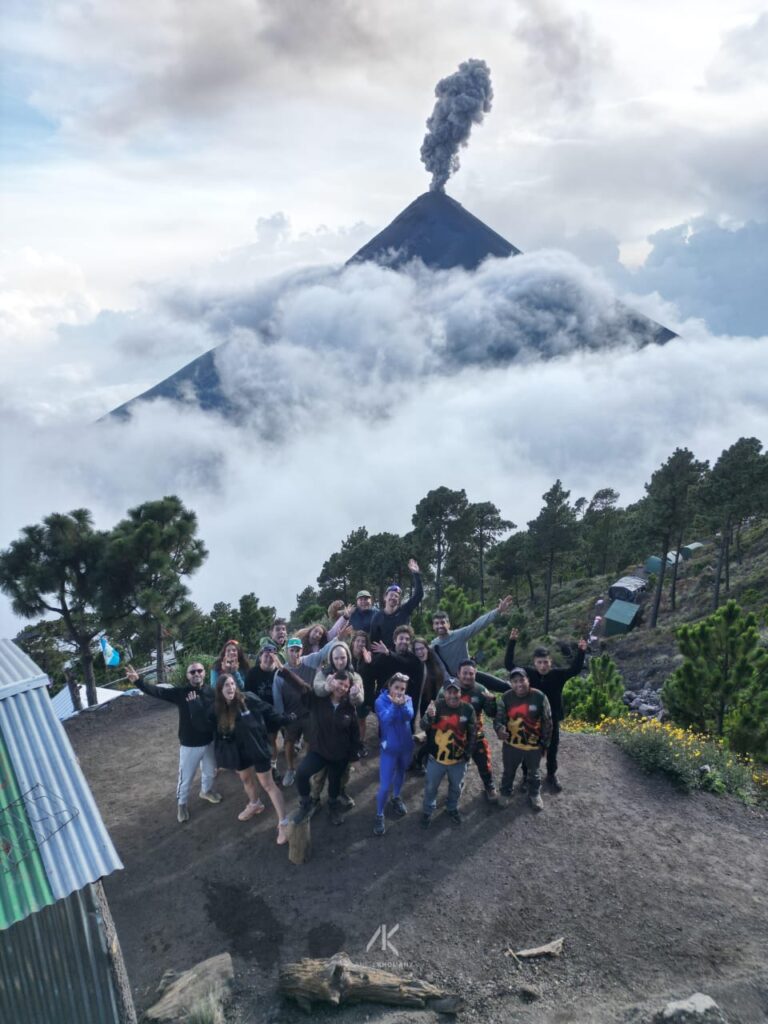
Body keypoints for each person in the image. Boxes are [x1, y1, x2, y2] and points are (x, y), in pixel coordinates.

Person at [187, 673, 293, 843]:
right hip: (237, 753)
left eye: (231, 684)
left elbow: (268, 710)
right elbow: (203, 726)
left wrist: (285, 719)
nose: (230, 688)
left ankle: (284, 823)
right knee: (246, 780)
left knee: (268, 785)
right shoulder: (217, 709)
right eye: (225, 686)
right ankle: (255, 804)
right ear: (220, 690)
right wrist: (194, 708)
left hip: (257, 748)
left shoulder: (247, 699)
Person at [125, 661, 220, 824]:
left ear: (204, 672)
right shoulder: (181, 693)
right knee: (186, 778)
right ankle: (182, 804)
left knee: (210, 772)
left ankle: (206, 791)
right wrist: (138, 682)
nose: (196, 674)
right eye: (192, 672)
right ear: (187, 675)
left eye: (199, 670)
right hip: (190, 744)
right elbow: (158, 691)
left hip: (209, 741)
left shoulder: (211, 692)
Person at [504, 630, 587, 791]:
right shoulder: (528, 674)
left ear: (551, 662)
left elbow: (575, 669)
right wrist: (512, 642)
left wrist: (582, 651)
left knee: (552, 748)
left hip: (552, 718)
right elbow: (509, 665)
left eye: (546, 662)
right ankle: (527, 776)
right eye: (539, 662)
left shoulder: (558, 675)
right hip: (531, 719)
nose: (543, 665)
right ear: (534, 663)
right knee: (529, 747)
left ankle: (551, 774)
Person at [293, 671, 361, 826]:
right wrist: (283, 671)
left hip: (340, 755)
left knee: (335, 783)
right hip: (319, 751)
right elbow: (303, 690)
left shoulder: (349, 707)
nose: (342, 688)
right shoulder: (318, 700)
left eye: (346, 685)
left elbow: (354, 735)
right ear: (332, 682)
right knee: (302, 773)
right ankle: (306, 803)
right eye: (339, 683)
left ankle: (333, 806)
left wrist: (355, 757)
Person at [272, 633, 341, 785]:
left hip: (310, 713)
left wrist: (338, 638)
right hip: (291, 715)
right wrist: (282, 716)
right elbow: (277, 697)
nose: (295, 653)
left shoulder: (309, 661)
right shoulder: (279, 673)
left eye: (297, 650)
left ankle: (306, 768)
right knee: (289, 743)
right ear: (287, 652)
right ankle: (290, 769)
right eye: (292, 650)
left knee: (311, 742)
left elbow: (323, 652)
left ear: (302, 651)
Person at [309, 641, 364, 809]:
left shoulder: (354, 676)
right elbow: (317, 689)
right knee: (319, 772)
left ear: (347, 657)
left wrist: (355, 695)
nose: (340, 661)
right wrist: (327, 686)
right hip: (323, 730)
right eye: (336, 658)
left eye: (342, 657)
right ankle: (314, 798)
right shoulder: (324, 674)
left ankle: (339, 792)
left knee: (342, 770)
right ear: (331, 659)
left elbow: (361, 700)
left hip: (344, 730)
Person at [420, 678, 476, 828]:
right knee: (431, 787)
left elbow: (473, 733)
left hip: (458, 760)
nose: (452, 695)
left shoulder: (468, 709)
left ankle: (452, 808)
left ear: (460, 692)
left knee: (456, 787)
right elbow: (423, 725)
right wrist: (429, 715)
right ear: (444, 693)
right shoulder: (436, 706)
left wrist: (468, 754)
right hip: (436, 759)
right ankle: (428, 810)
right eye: (449, 692)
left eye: (455, 691)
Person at [494, 667, 552, 812]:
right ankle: (505, 792)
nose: (519, 684)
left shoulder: (539, 696)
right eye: (515, 681)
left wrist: (545, 744)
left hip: (533, 745)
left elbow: (548, 721)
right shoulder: (506, 697)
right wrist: (500, 729)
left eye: (522, 680)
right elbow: (498, 719)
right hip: (511, 744)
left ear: (528, 680)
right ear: (511, 683)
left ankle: (534, 794)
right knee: (508, 771)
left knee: (534, 772)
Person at [440, 659, 499, 802]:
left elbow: (491, 714)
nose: (467, 676)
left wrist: (492, 701)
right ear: (458, 674)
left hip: (475, 734)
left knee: (484, 760)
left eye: (471, 673)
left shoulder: (481, 690)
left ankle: (489, 785)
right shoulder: (447, 689)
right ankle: (456, 785)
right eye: (464, 673)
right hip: (454, 735)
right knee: (454, 764)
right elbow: (439, 711)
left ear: (475, 673)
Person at [430, 596, 513, 693]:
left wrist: (498, 611)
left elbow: (478, 625)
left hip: (470, 674)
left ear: (448, 624)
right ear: (433, 626)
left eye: (442, 622)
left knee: (505, 687)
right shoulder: (433, 645)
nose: (440, 625)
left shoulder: (459, 635)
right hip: (452, 683)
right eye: (437, 623)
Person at [373, 674, 414, 836]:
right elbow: (386, 719)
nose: (399, 692)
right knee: (384, 785)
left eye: (402, 689)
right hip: (389, 749)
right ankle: (379, 814)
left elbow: (408, 716)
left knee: (401, 773)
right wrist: (395, 706)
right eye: (396, 687)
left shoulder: (408, 699)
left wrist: (402, 705)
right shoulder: (380, 701)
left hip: (406, 747)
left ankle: (396, 797)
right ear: (390, 686)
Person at [369, 559, 424, 649]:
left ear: (399, 600)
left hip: (403, 654)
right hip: (385, 657)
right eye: (391, 595)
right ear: (385, 598)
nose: (393, 597)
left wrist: (416, 574)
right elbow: (373, 642)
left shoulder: (404, 611)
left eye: (396, 596)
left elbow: (418, 595)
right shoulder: (377, 617)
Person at [349, 630, 378, 757]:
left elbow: (373, 677)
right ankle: (348, 742)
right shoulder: (346, 656)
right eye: (358, 641)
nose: (361, 644)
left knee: (361, 720)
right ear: (353, 642)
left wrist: (369, 663)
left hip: (364, 695)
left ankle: (360, 743)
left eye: (363, 641)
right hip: (347, 694)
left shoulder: (368, 657)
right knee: (348, 720)